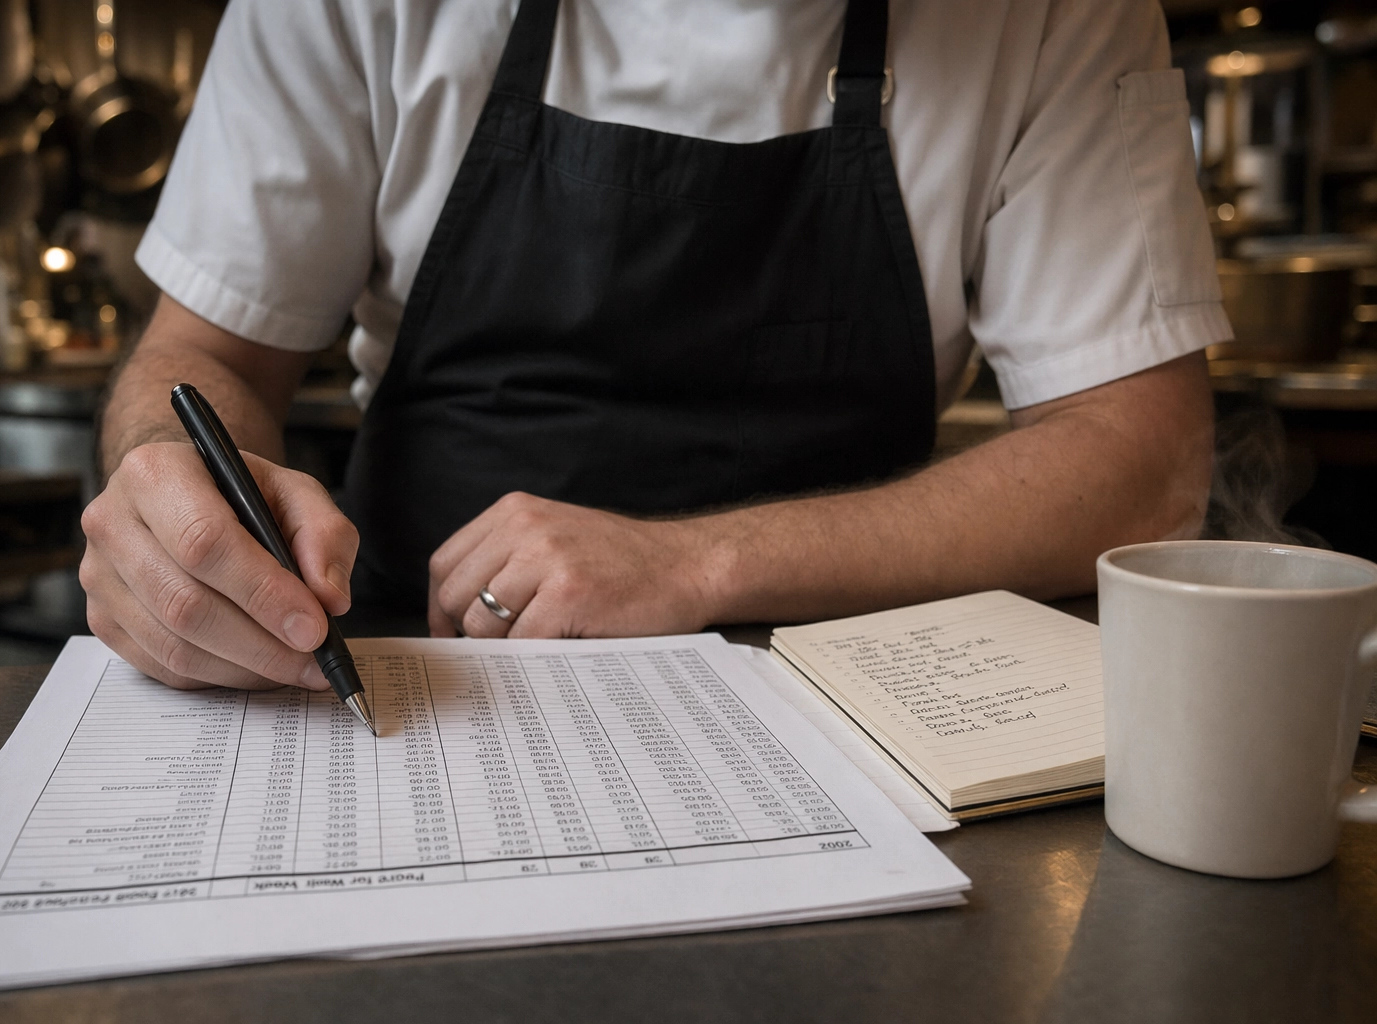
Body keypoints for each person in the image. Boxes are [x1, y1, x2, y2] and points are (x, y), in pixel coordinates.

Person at [81, 0, 1225, 695]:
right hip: (416, 675)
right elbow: (205, 357)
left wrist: (693, 565)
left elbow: (1142, 461)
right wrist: (169, 499)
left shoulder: (1051, 14)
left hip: (865, 703)